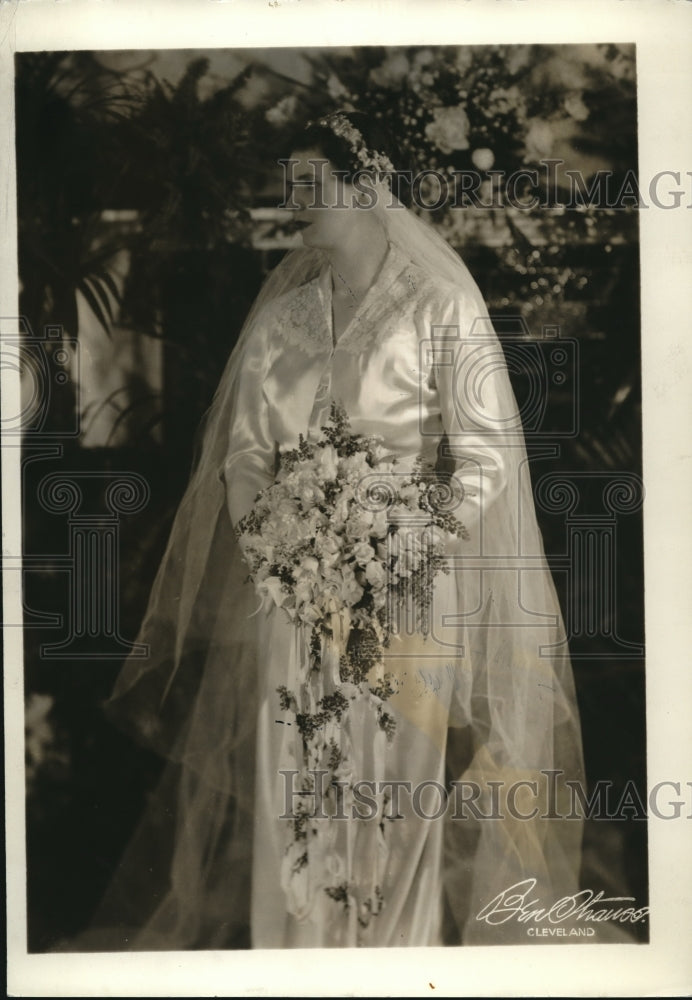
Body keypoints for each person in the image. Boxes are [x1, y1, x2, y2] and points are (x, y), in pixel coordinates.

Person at [100, 110, 584, 949]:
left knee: (393, 794)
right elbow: (247, 454)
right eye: (288, 183)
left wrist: (403, 540)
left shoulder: (437, 306)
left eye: (308, 182)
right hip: (296, 604)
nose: (292, 199)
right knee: (298, 790)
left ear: (365, 185)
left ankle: (392, 960)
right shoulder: (281, 323)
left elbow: (486, 458)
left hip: (405, 601)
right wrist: (275, 546)